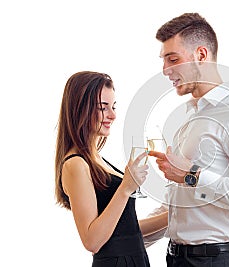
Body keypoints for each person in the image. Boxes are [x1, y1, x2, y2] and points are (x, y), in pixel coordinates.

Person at [149, 13, 229, 266]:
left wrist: (193, 175)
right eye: (163, 60)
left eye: (173, 59)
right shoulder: (189, 118)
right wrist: (122, 237)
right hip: (177, 259)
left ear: (201, 55)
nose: (165, 70)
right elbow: (182, 210)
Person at [55, 71, 168, 267]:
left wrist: (176, 214)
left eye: (113, 107)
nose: (113, 115)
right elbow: (92, 241)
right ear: (79, 109)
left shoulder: (97, 159)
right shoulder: (75, 164)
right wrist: (125, 188)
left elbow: (126, 232)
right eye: (103, 108)